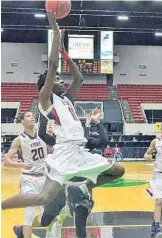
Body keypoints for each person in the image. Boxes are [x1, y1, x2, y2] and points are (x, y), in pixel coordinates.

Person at [1, 12, 125, 212]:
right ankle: (2, 205)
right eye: (57, 79)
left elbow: (79, 79)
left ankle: (84, 186)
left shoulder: (67, 99)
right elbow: (52, 65)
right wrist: (54, 29)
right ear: (46, 86)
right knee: (43, 198)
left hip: (80, 151)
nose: (61, 80)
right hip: (64, 152)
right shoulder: (46, 100)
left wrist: (65, 53)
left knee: (119, 170)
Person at [14, 108, 110, 238]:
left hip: (80, 192)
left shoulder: (86, 142)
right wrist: (44, 114)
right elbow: (42, 134)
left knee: (80, 226)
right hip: (59, 190)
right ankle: (24, 230)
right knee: (45, 220)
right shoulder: (60, 143)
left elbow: (104, 142)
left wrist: (98, 122)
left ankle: (55, 226)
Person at [4, 111, 48, 238]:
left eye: (33, 116)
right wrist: (22, 165)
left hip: (44, 179)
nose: (32, 117)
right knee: (29, 215)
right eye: (28, 116)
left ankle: (21, 231)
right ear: (22, 121)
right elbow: (7, 162)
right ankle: (25, 231)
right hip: (29, 179)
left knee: (48, 215)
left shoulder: (41, 136)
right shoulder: (19, 140)